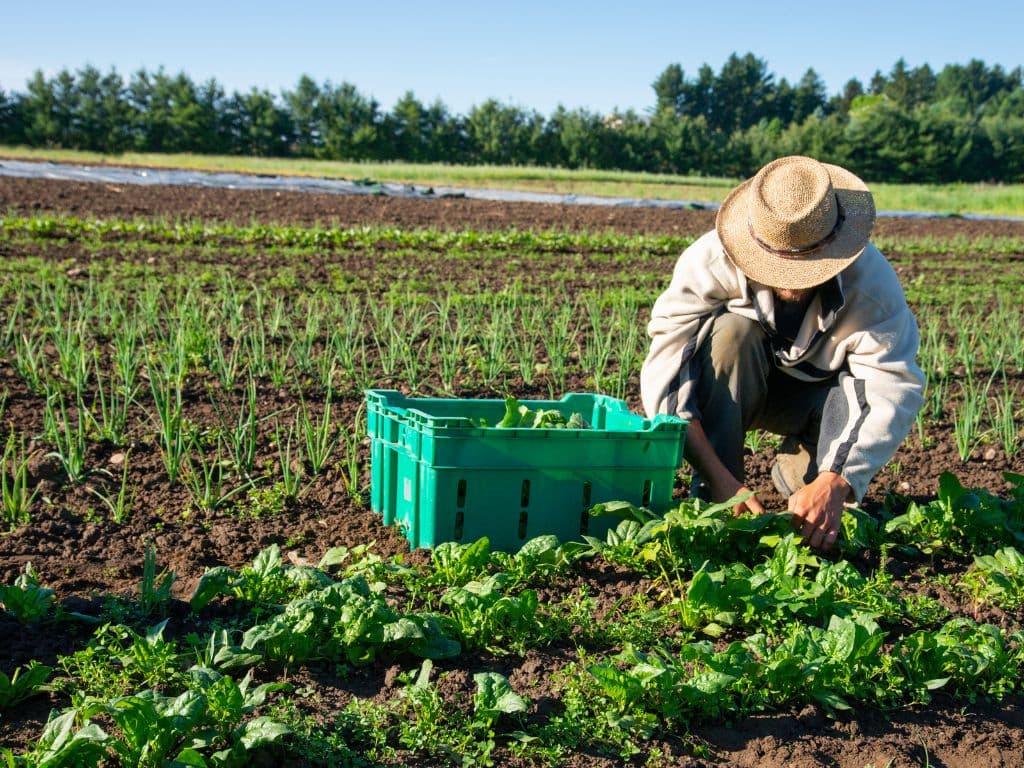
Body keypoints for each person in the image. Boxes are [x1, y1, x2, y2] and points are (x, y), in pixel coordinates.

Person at [640, 155, 924, 551]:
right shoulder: (710, 260)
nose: (791, 281)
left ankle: (802, 471)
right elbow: (667, 374)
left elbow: (890, 386)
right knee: (731, 334)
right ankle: (715, 496)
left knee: (817, 506)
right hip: (738, 385)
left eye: (807, 264)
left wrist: (835, 481)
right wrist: (722, 481)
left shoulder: (871, 286)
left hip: (815, 401)